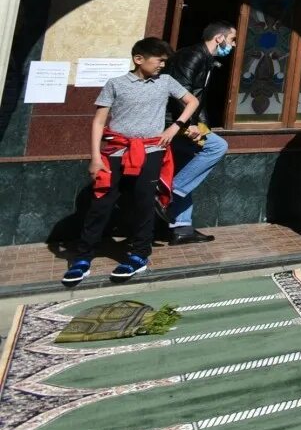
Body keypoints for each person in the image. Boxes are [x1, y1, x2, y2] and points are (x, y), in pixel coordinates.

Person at [63, 37, 201, 286]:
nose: (162, 65)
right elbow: (98, 122)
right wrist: (96, 157)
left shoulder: (166, 82)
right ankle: (83, 258)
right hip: (116, 151)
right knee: (101, 203)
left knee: (143, 203)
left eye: (164, 61)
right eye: (159, 60)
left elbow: (192, 101)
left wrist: (175, 128)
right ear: (139, 59)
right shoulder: (115, 84)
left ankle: (139, 255)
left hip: (151, 150)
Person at [161, 21, 236, 244]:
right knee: (217, 146)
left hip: (186, 120)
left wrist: (203, 127)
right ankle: (170, 191)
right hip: (173, 121)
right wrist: (189, 124)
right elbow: (180, 91)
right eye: (232, 40)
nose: (232, 46)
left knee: (188, 167)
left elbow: (199, 99)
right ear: (219, 38)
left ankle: (181, 228)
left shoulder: (207, 60)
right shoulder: (192, 56)